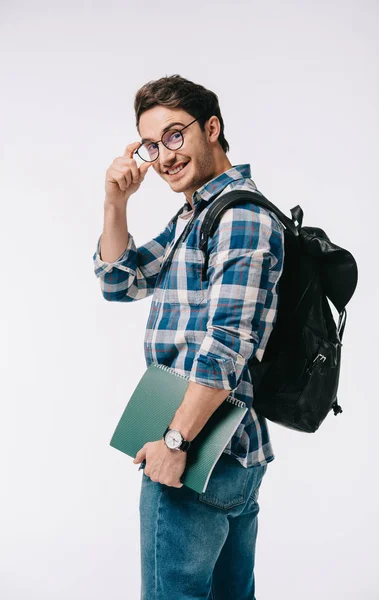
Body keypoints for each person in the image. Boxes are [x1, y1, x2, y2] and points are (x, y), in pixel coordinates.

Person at [92, 74, 285, 600]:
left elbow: (226, 346)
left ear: (213, 128)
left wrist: (175, 443)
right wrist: (116, 202)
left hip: (198, 452)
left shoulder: (239, 217)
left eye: (176, 135)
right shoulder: (196, 215)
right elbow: (120, 280)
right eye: (153, 145)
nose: (165, 156)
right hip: (227, 451)